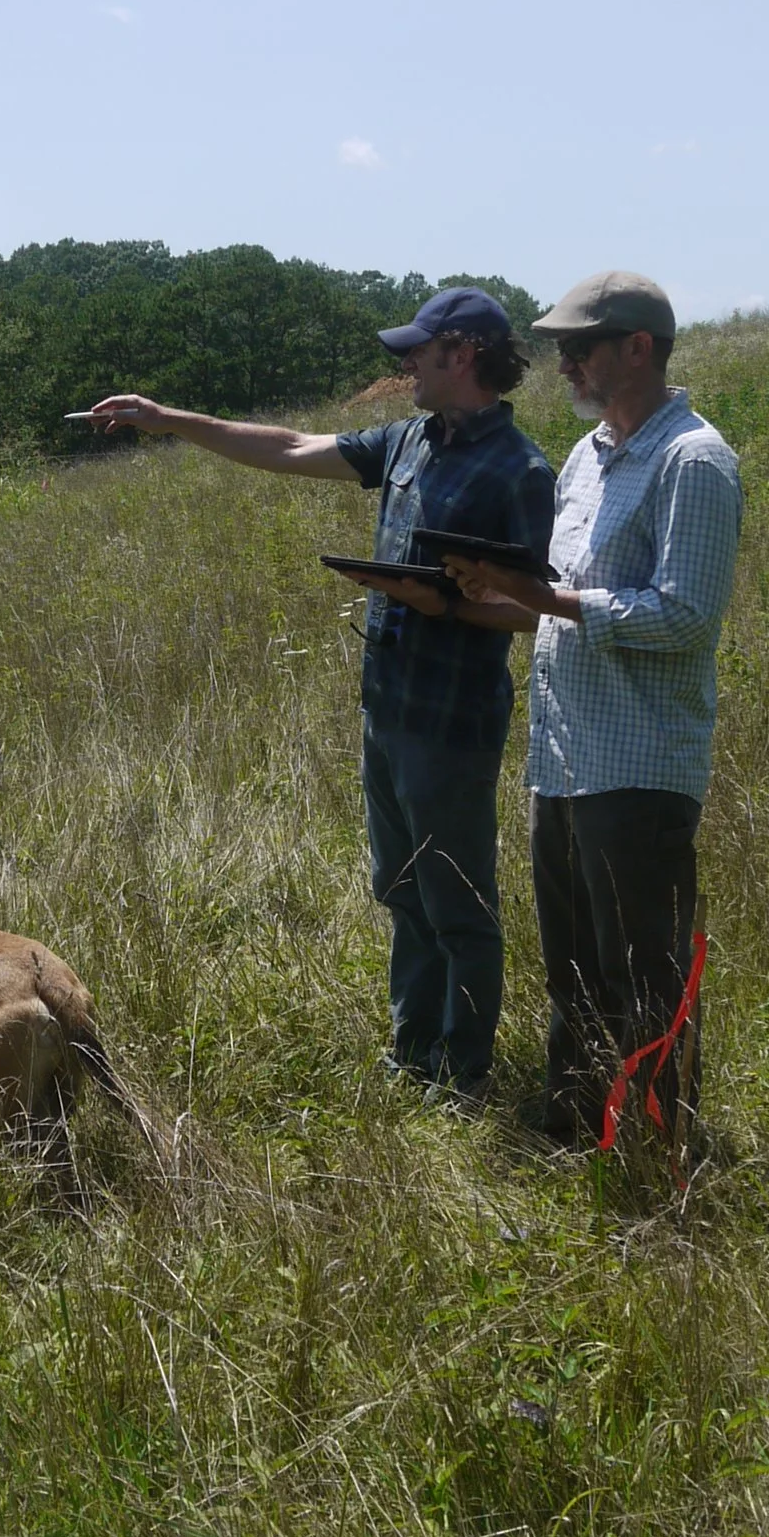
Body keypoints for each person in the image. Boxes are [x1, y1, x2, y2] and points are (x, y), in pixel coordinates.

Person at [85, 286, 556, 1105]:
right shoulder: (411, 440)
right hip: (388, 709)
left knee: (459, 901)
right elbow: (296, 446)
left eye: (417, 350)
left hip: (453, 726)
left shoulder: (520, 471)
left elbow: (538, 611)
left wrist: (448, 605)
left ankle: (465, 1075)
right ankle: (413, 1057)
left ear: (465, 353)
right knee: (402, 887)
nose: (402, 364)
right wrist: (174, 420)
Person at [442, 274, 741, 1147]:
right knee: (572, 974)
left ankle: (656, 1156)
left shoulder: (695, 460)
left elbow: (684, 615)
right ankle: (576, 1138)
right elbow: (556, 597)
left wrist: (546, 597)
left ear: (638, 348)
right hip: (563, 762)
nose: (564, 362)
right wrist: (467, 597)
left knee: (643, 978)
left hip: (640, 768)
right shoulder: (587, 456)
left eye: (582, 346)